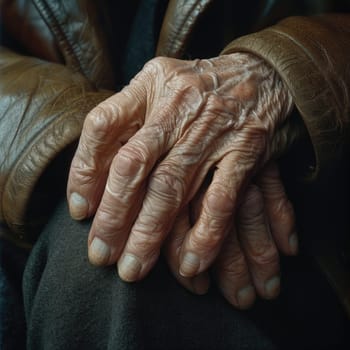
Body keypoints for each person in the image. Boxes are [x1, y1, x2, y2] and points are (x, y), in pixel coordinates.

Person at [0, 0, 349, 349]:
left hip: (313, 195)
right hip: (26, 183)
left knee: (103, 265)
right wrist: (113, 138)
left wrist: (288, 70)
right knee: (107, 244)